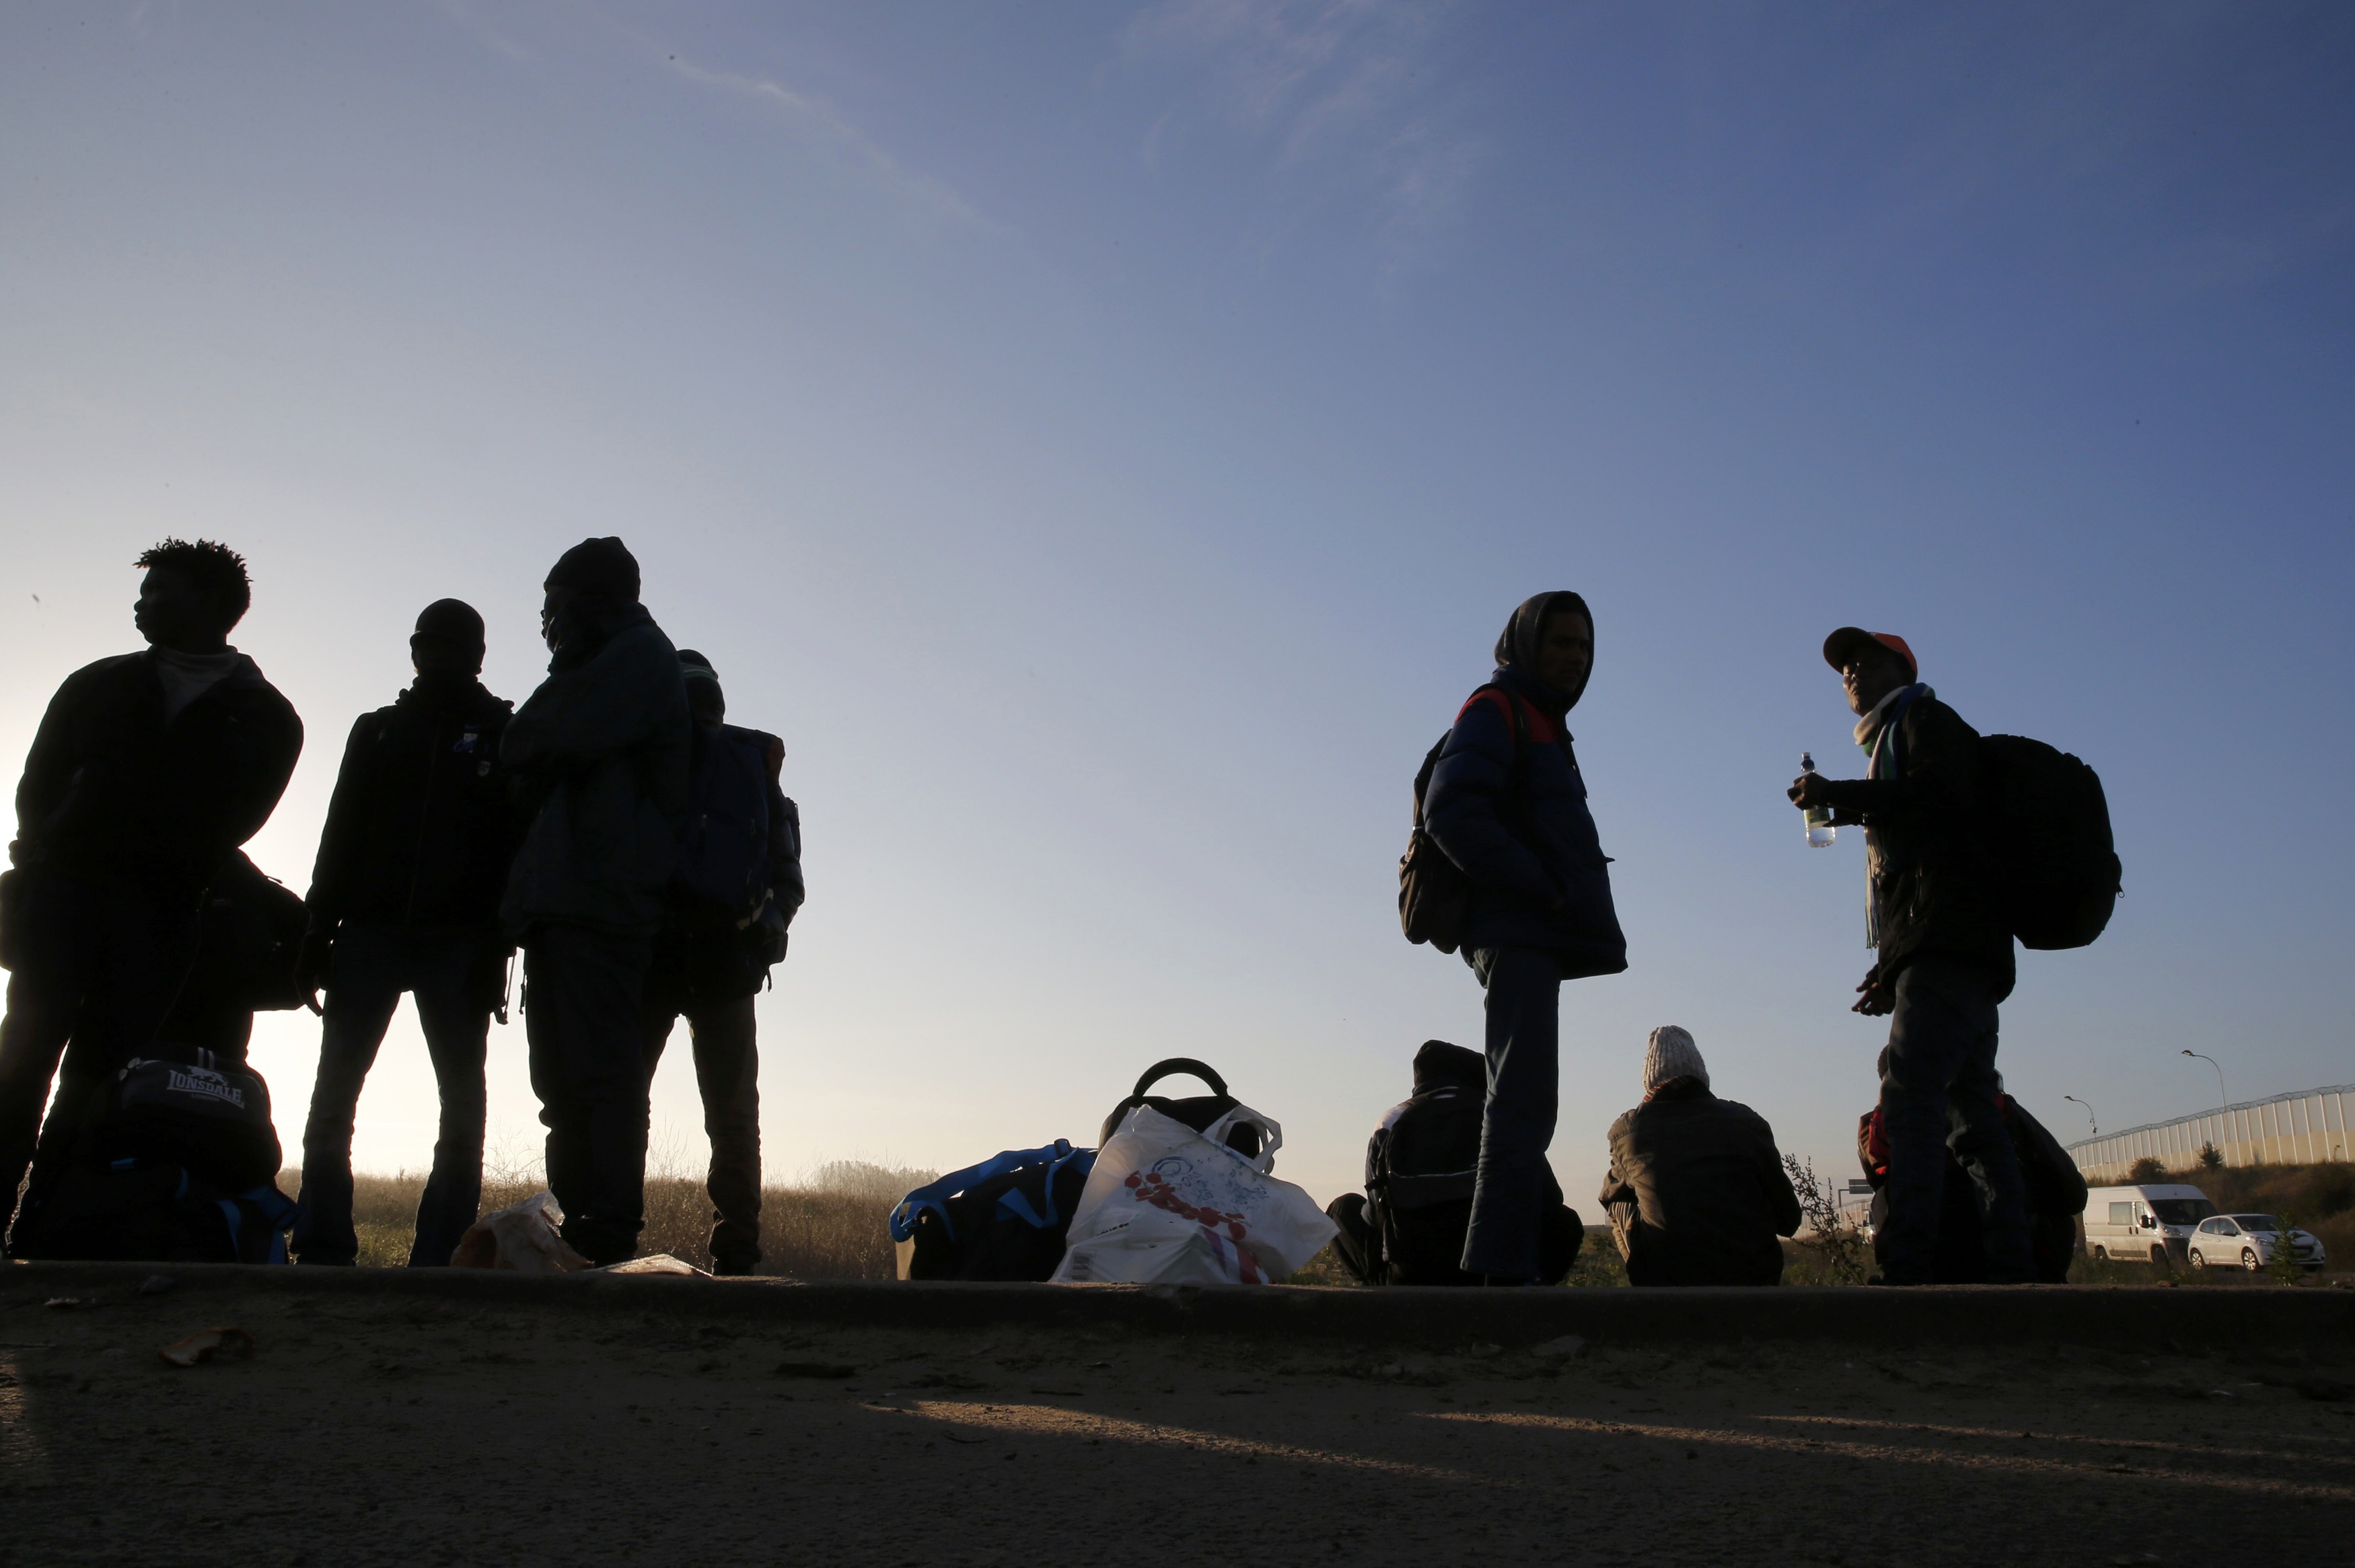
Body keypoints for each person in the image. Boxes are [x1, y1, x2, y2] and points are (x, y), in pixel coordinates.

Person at [0, 539, 301, 1246]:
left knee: (102, 1078)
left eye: (160, 590)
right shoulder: (97, 683)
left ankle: (47, 1230)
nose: (141, 603)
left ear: (211, 604)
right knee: (22, 1059)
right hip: (63, 899)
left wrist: (170, 868)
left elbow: (238, 821)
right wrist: (41, 861)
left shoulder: (266, 716)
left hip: (160, 917)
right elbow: (36, 789)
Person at [1788, 628, 2032, 1285]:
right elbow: (1922, 865)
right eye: (1843, 668)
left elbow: (1935, 799)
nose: (1851, 674)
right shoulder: (1885, 749)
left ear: (1903, 668)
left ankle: (1907, 1269)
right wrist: (1889, 970)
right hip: (1953, 952)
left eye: (1865, 661)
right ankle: (2013, 1268)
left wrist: (1835, 795)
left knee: (1910, 1102)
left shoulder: (1923, 720)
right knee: (1971, 1113)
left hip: (1947, 949)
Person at [289, 601, 519, 1268]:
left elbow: (512, 849)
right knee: (335, 1098)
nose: (437, 655)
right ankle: (322, 1248)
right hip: (368, 935)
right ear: (414, 650)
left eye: (451, 644)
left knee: (459, 1107)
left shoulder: (507, 732)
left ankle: (440, 1258)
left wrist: (496, 945)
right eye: (429, 643)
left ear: (476, 655)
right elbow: (340, 835)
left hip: (459, 943)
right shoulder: (378, 732)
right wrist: (317, 932)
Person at [1419, 593, 1626, 1283]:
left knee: (1523, 1098)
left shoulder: (1538, 721)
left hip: (1526, 929)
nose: (1574, 658)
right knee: (1521, 1100)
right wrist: (1544, 887)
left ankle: (1497, 1269)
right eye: (1560, 642)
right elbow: (1451, 809)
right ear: (1525, 643)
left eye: (1584, 648)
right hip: (1515, 928)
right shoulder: (1496, 708)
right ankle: (1499, 1277)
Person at [502, 539, 689, 1266]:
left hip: (606, 903)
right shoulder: (605, 662)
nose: (546, 623)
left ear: (589, 601)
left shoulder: (639, 656)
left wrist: (539, 731)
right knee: (560, 1083)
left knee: (603, 1077)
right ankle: (580, 1227)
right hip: (564, 903)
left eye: (553, 606)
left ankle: (606, 1232)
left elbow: (539, 734)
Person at [640, 650, 801, 1275]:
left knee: (629, 1100)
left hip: (653, 956)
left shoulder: (653, 760)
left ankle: (611, 1234)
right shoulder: (756, 771)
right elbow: (789, 880)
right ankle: (737, 1249)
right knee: (734, 1116)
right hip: (729, 965)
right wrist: (765, 931)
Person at [1326, 1039, 1582, 1287]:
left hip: (1411, 1273)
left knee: (1342, 1208)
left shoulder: (1391, 1120)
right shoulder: (1498, 1117)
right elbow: (1549, 1198)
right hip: (1493, 1272)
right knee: (1567, 1221)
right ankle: (1525, 1291)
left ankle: (1384, 1297)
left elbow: (1373, 1215)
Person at [1856, 1050, 2086, 1284]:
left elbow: (1882, 1189)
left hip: (1924, 1270)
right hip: (2009, 1265)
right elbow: (2072, 1194)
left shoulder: (1876, 1130)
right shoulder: (1994, 1109)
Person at [1597, 1027, 1800, 1286]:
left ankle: (1645, 1282)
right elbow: (1789, 1221)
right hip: (1754, 1277)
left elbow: (1608, 1196)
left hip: (1666, 1278)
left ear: (1649, 1081)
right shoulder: (1747, 1122)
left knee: (1616, 1197)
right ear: (1701, 1075)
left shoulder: (1629, 1131)